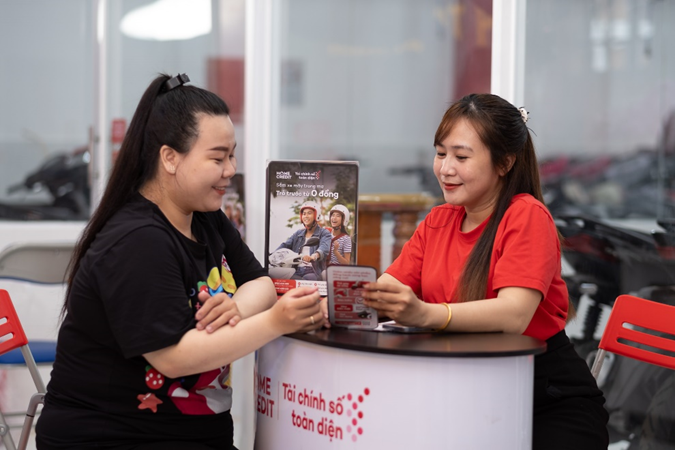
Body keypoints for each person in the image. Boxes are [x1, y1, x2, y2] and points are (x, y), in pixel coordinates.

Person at [36, 73, 325, 450]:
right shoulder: (137, 241)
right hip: (115, 437)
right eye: (218, 157)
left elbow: (262, 283)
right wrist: (274, 322)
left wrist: (233, 309)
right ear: (170, 158)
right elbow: (173, 358)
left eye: (232, 155)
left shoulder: (205, 216)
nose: (230, 169)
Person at [362, 93, 609, 450]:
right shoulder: (438, 220)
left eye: (461, 157)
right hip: (467, 392)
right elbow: (386, 289)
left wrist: (426, 314)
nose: (445, 168)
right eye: (440, 153)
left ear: (505, 162)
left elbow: (513, 315)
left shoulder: (526, 216)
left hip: (545, 399)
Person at [275, 200, 331, 280]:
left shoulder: (324, 233)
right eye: (304, 214)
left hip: (312, 271)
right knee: (273, 274)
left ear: (316, 215)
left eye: (309, 213)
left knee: (307, 280)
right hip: (295, 270)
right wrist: (272, 254)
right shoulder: (298, 233)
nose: (306, 216)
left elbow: (324, 248)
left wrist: (313, 256)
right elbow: (285, 245)